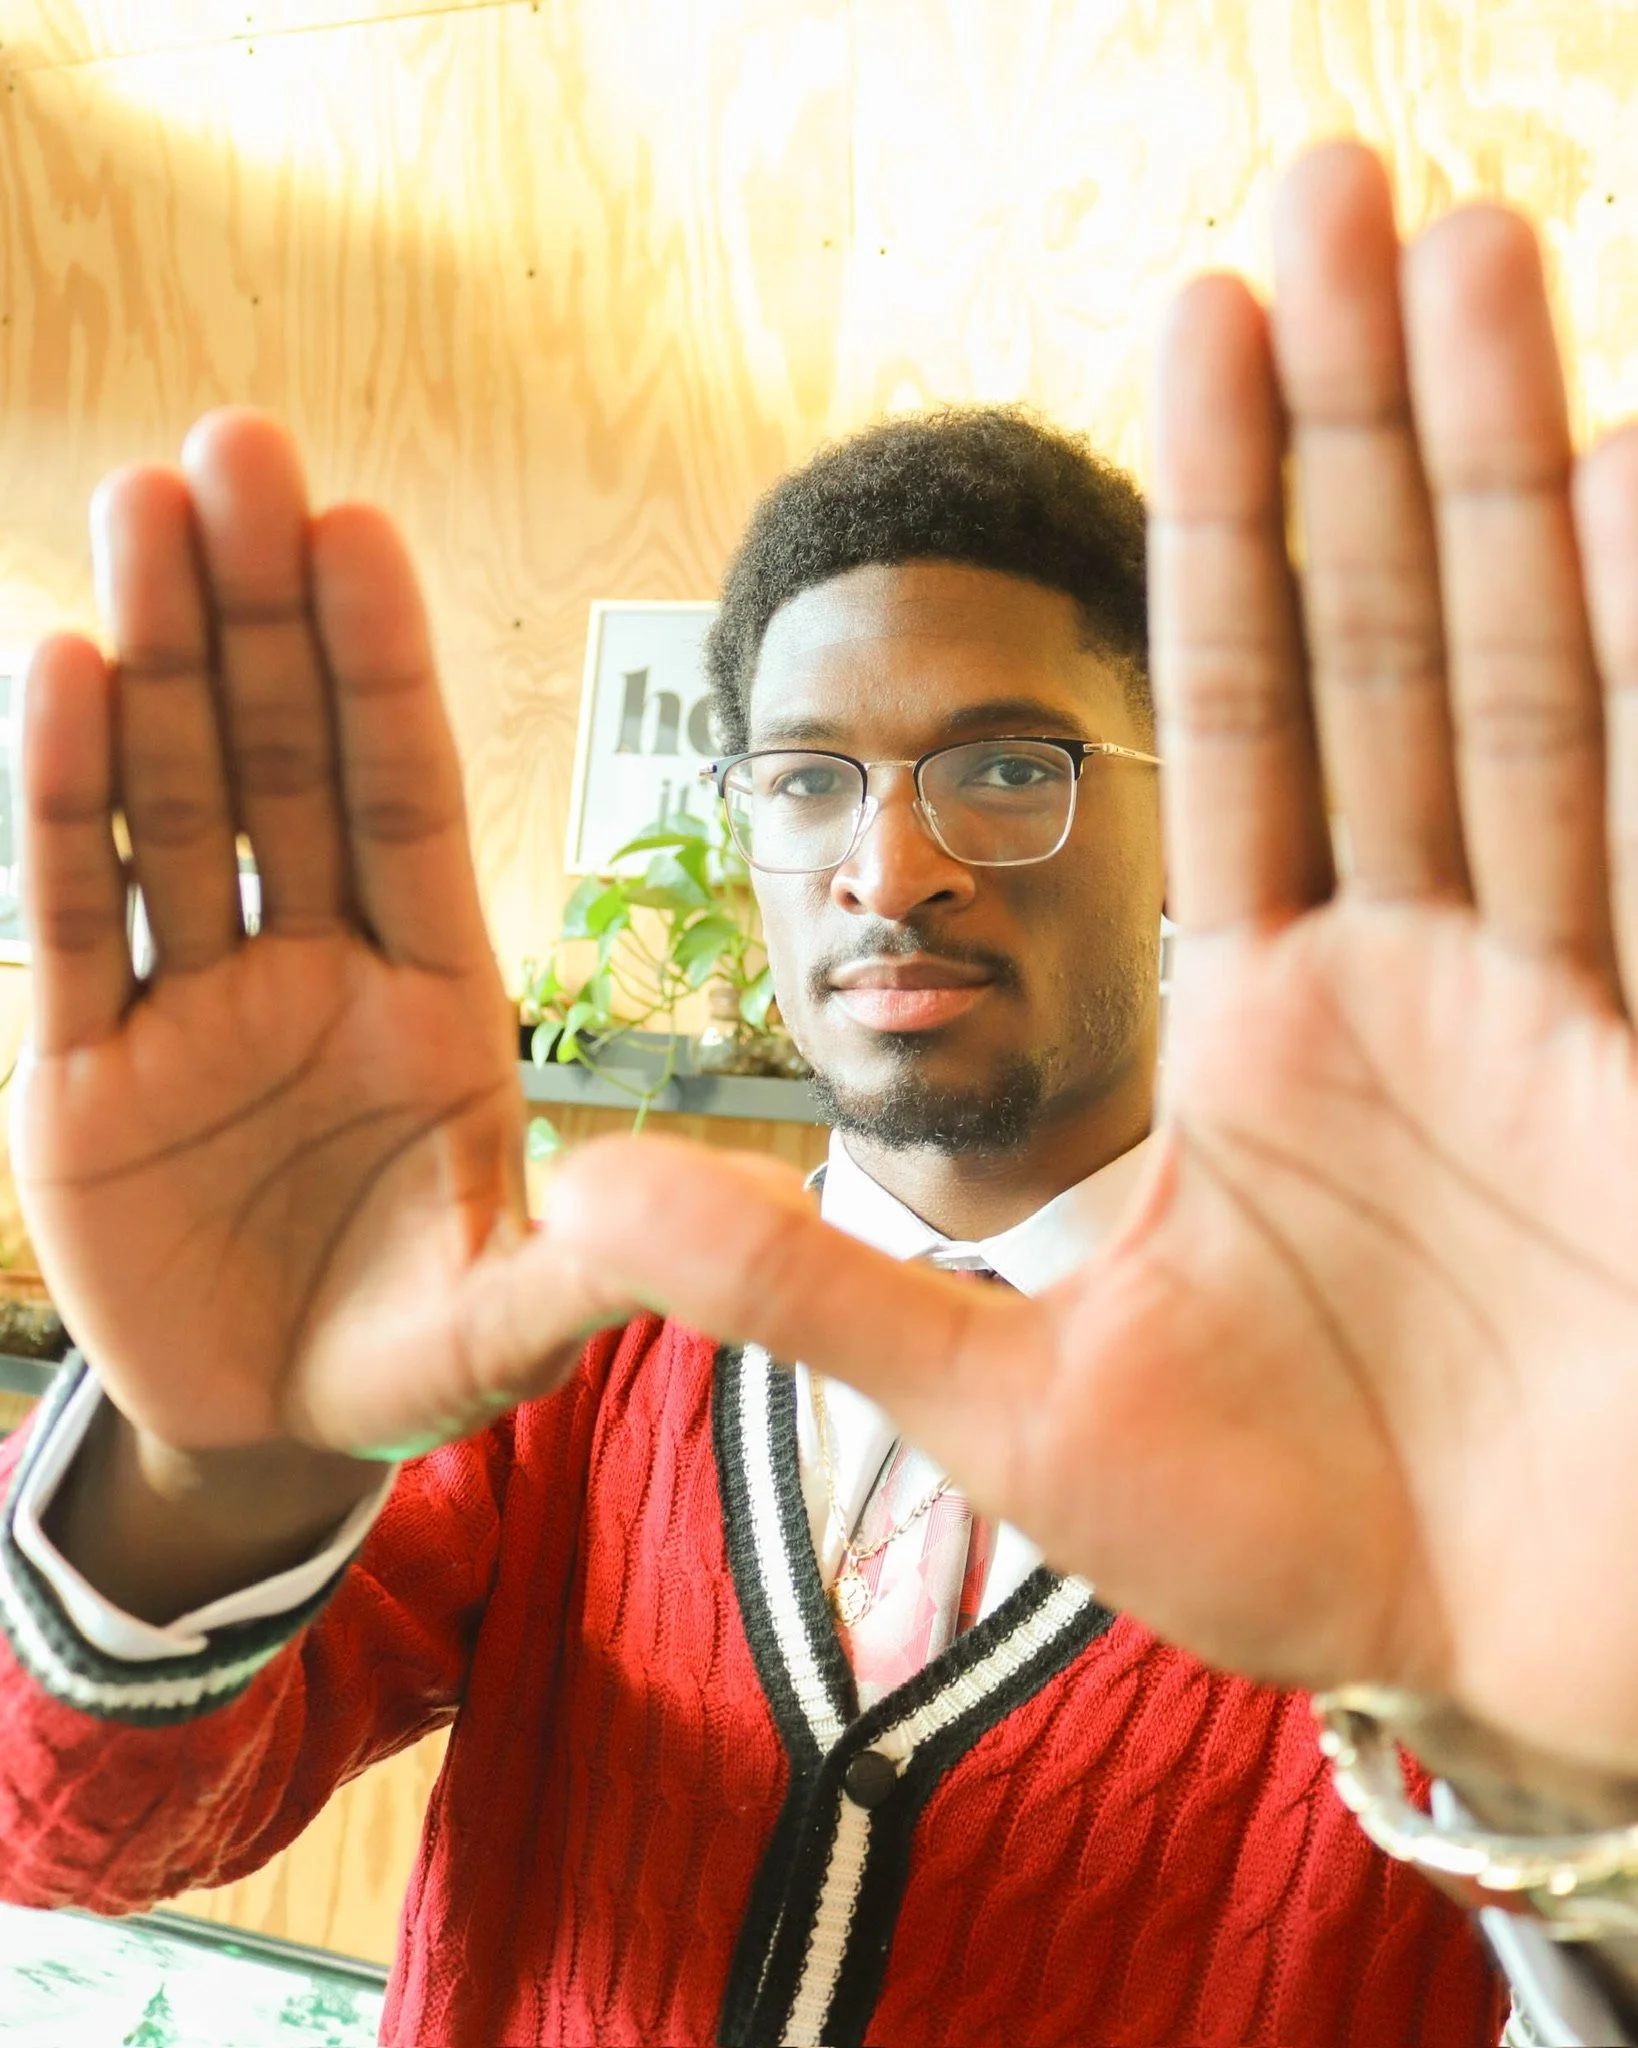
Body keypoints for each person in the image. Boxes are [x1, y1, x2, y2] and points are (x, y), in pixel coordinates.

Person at [2, 138, 1636, 2046]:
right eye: (803, 781)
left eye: (1006, 767)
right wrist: (210, 1470)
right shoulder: (569, 1362)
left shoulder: (1416, 1427)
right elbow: (70, 1842)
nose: (886, 870)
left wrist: (1563, 1787)